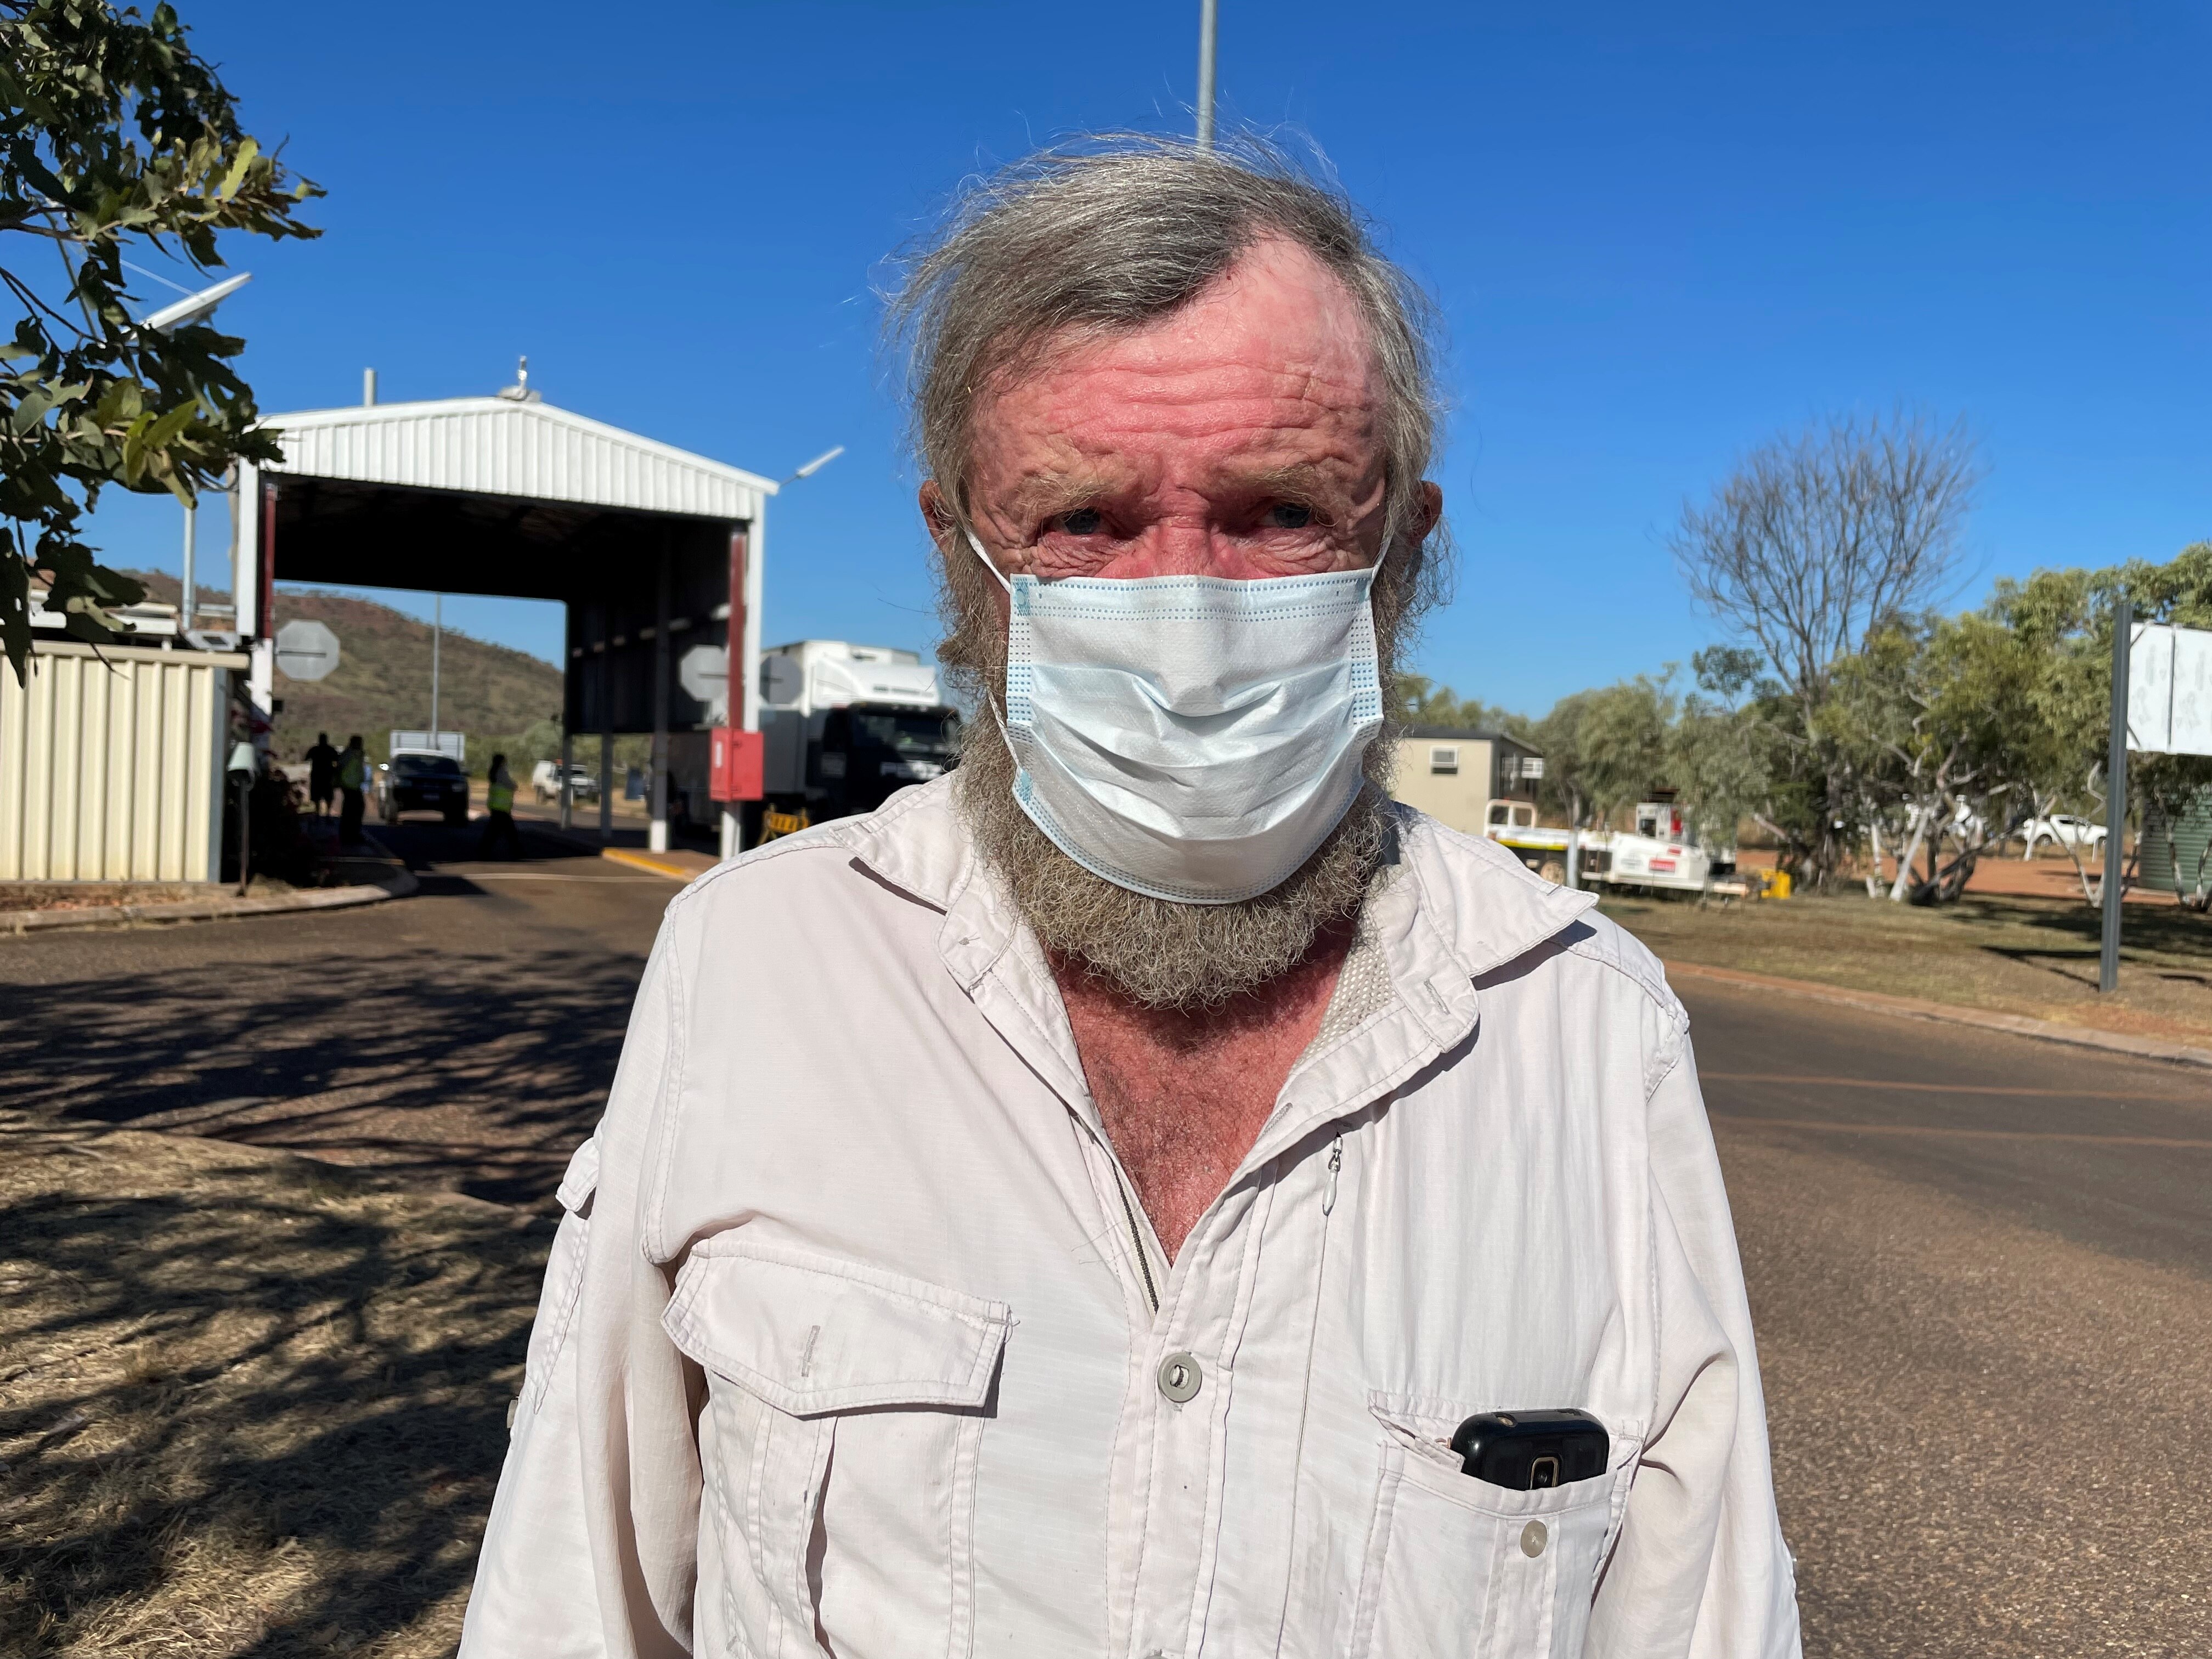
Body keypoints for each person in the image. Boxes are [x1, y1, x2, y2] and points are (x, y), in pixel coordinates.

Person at [461, 138, 1802, 1659]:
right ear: (961, 554)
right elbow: (577, 1595)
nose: (1187, 618)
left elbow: (1704, 1619)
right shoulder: (757, 962)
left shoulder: (1581, 1025)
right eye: (1085, 522)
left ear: (1403, 554)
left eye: (1282, 512)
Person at [478, 752, 524, 860]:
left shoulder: (493, 772)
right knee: (509, 832)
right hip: (502, 808)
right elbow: (510, 785)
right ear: (502, 761)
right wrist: (515, 785)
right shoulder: (501, 772)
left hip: (496, 807)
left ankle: (484, 850)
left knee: (495, 831)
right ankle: (517, 852)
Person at [335, 735, 367, 846]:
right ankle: (349, 835)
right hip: (349, 786)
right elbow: (340, 767)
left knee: (355, 810)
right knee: (352, 811)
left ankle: (352, 834)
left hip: (354, 786)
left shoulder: (356, 754)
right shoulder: (350, 754)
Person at [304, 732, 339, 817]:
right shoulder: (330, 750)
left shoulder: (315, 750)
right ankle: (327, 814)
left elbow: (306, 759)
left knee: (318, 796)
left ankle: (318, 813)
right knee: (327, 796)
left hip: (318, 776)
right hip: (327, 776)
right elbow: (338, 761)